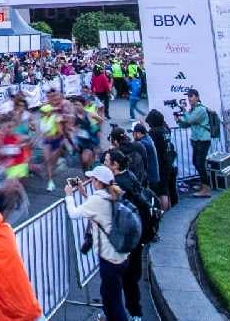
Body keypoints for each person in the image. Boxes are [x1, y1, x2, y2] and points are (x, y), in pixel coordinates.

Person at [64, 166, 129, 321]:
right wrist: (83, 193)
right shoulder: (113, 194)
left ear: (99, 182)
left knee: (114, 301)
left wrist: (69, 196)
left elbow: (74, 214)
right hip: (121, 256)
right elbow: (98, 211)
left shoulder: (98, 199)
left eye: (93, 179)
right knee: (109, 295)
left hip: (109, 259)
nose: (91, 181)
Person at [104, 149, 148, 321]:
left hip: (125, 240)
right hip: (137, 236)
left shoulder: (119, 185)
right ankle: (135, 313)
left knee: (119, 282)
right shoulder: (129, 176)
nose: (104, 163)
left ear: (114, 165)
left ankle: (122, 315)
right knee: (130, 280)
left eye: (106, 161)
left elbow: (109, 210)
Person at [175, 89, 212, 197]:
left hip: (203, 140)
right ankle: (203, 184)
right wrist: (178, 120)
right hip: (196, 140)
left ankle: (206, 190)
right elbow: (186, 124)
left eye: (191, 96)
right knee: (196, 163)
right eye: (189, 96)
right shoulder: (193, 109)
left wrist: (183, 110)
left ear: (197, 97)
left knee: (200, 164)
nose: (189, 98)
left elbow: (190, 120)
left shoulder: (200, 109)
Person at [144, 110, 175, 209]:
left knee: (162, 190)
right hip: (168, 161)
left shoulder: (154, 132)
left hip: (161, 164)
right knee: (166, 188)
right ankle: (168, 207)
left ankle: (163, 211)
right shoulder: (165, 129)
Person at [131, 124, 160, 191]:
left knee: (151, 198)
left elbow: (132, 146)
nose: (133, 135)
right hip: (153, 175)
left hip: (150, 177)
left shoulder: (143, 143)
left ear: (138, 133)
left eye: (133, 133)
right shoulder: (147, 138)